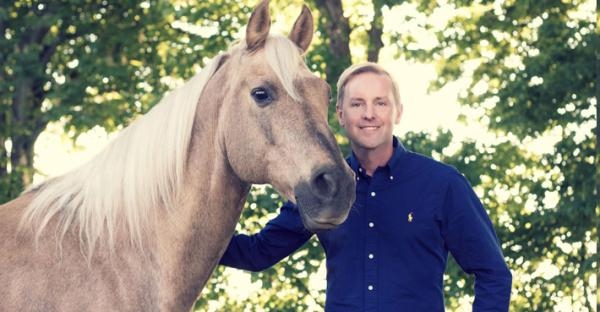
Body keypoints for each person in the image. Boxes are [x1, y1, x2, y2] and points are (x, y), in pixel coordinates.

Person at [219, 62, 512, 311]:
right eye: (357, 104)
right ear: (340, 115)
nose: (369, 114)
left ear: (397, 112)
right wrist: (184, 232)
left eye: (380, 103)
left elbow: (493, 273)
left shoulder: (442, 184)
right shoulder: (324, 187)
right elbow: (258, 253)